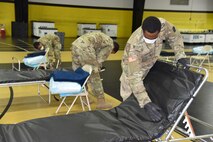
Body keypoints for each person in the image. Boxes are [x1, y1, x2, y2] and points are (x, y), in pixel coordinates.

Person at [120, 16, 189, 122]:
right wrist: (145, 102)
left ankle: (142, 111)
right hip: (132, 66)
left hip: (150, 60)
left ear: (159, 30)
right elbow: (134, 77)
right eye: (148, 38)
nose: (151, 40)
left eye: (154, 37)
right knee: (129, 91)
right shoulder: (134, 46)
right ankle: (128, 118)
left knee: (145, 87)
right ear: (142, 31)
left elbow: (175, 36)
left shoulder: (164, 25)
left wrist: (180, 55)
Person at [71, 32, 119, 109]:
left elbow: (94, 54)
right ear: (113, 49)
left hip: (76, 45)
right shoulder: (110, 45)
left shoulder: (105, 40)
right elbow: (100, 58)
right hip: (85, 48)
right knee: (94, 75)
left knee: (79, 72)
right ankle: (101, 102)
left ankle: (84, 98)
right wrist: (97, 67)